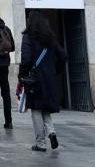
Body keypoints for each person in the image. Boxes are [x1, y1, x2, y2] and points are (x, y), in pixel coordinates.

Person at [20, 11, 67, 153]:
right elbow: (63, 56)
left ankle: (40, 143)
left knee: (36, 109)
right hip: (50, 78)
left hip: (35, 79)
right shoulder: (51, 38)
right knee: (45, 108)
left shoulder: (28, 37)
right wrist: (55, 70)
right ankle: (51, 132)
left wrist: (22, 76)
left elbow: (26, 60)